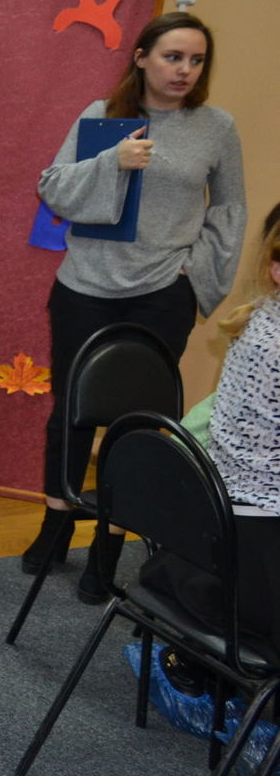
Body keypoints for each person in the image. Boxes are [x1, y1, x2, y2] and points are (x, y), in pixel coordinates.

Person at [26, 11, 246, 603]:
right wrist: (112, 162)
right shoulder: (103, 115)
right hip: (85, 287)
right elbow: (54, 186)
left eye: (196, 60)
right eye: (173, 57)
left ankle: (110, 543)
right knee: (71, 409)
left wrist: (195, 275)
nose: (184, 70)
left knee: (138, 422)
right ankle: (56, 523)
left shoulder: (216, 127)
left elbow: (229, 209)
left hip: (161, 292)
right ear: (143, 57)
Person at [136, 209, 280, 699]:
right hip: (247, 556)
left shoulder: (262, 318)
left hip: (216, 534)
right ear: (276, 269)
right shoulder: (272, 341)